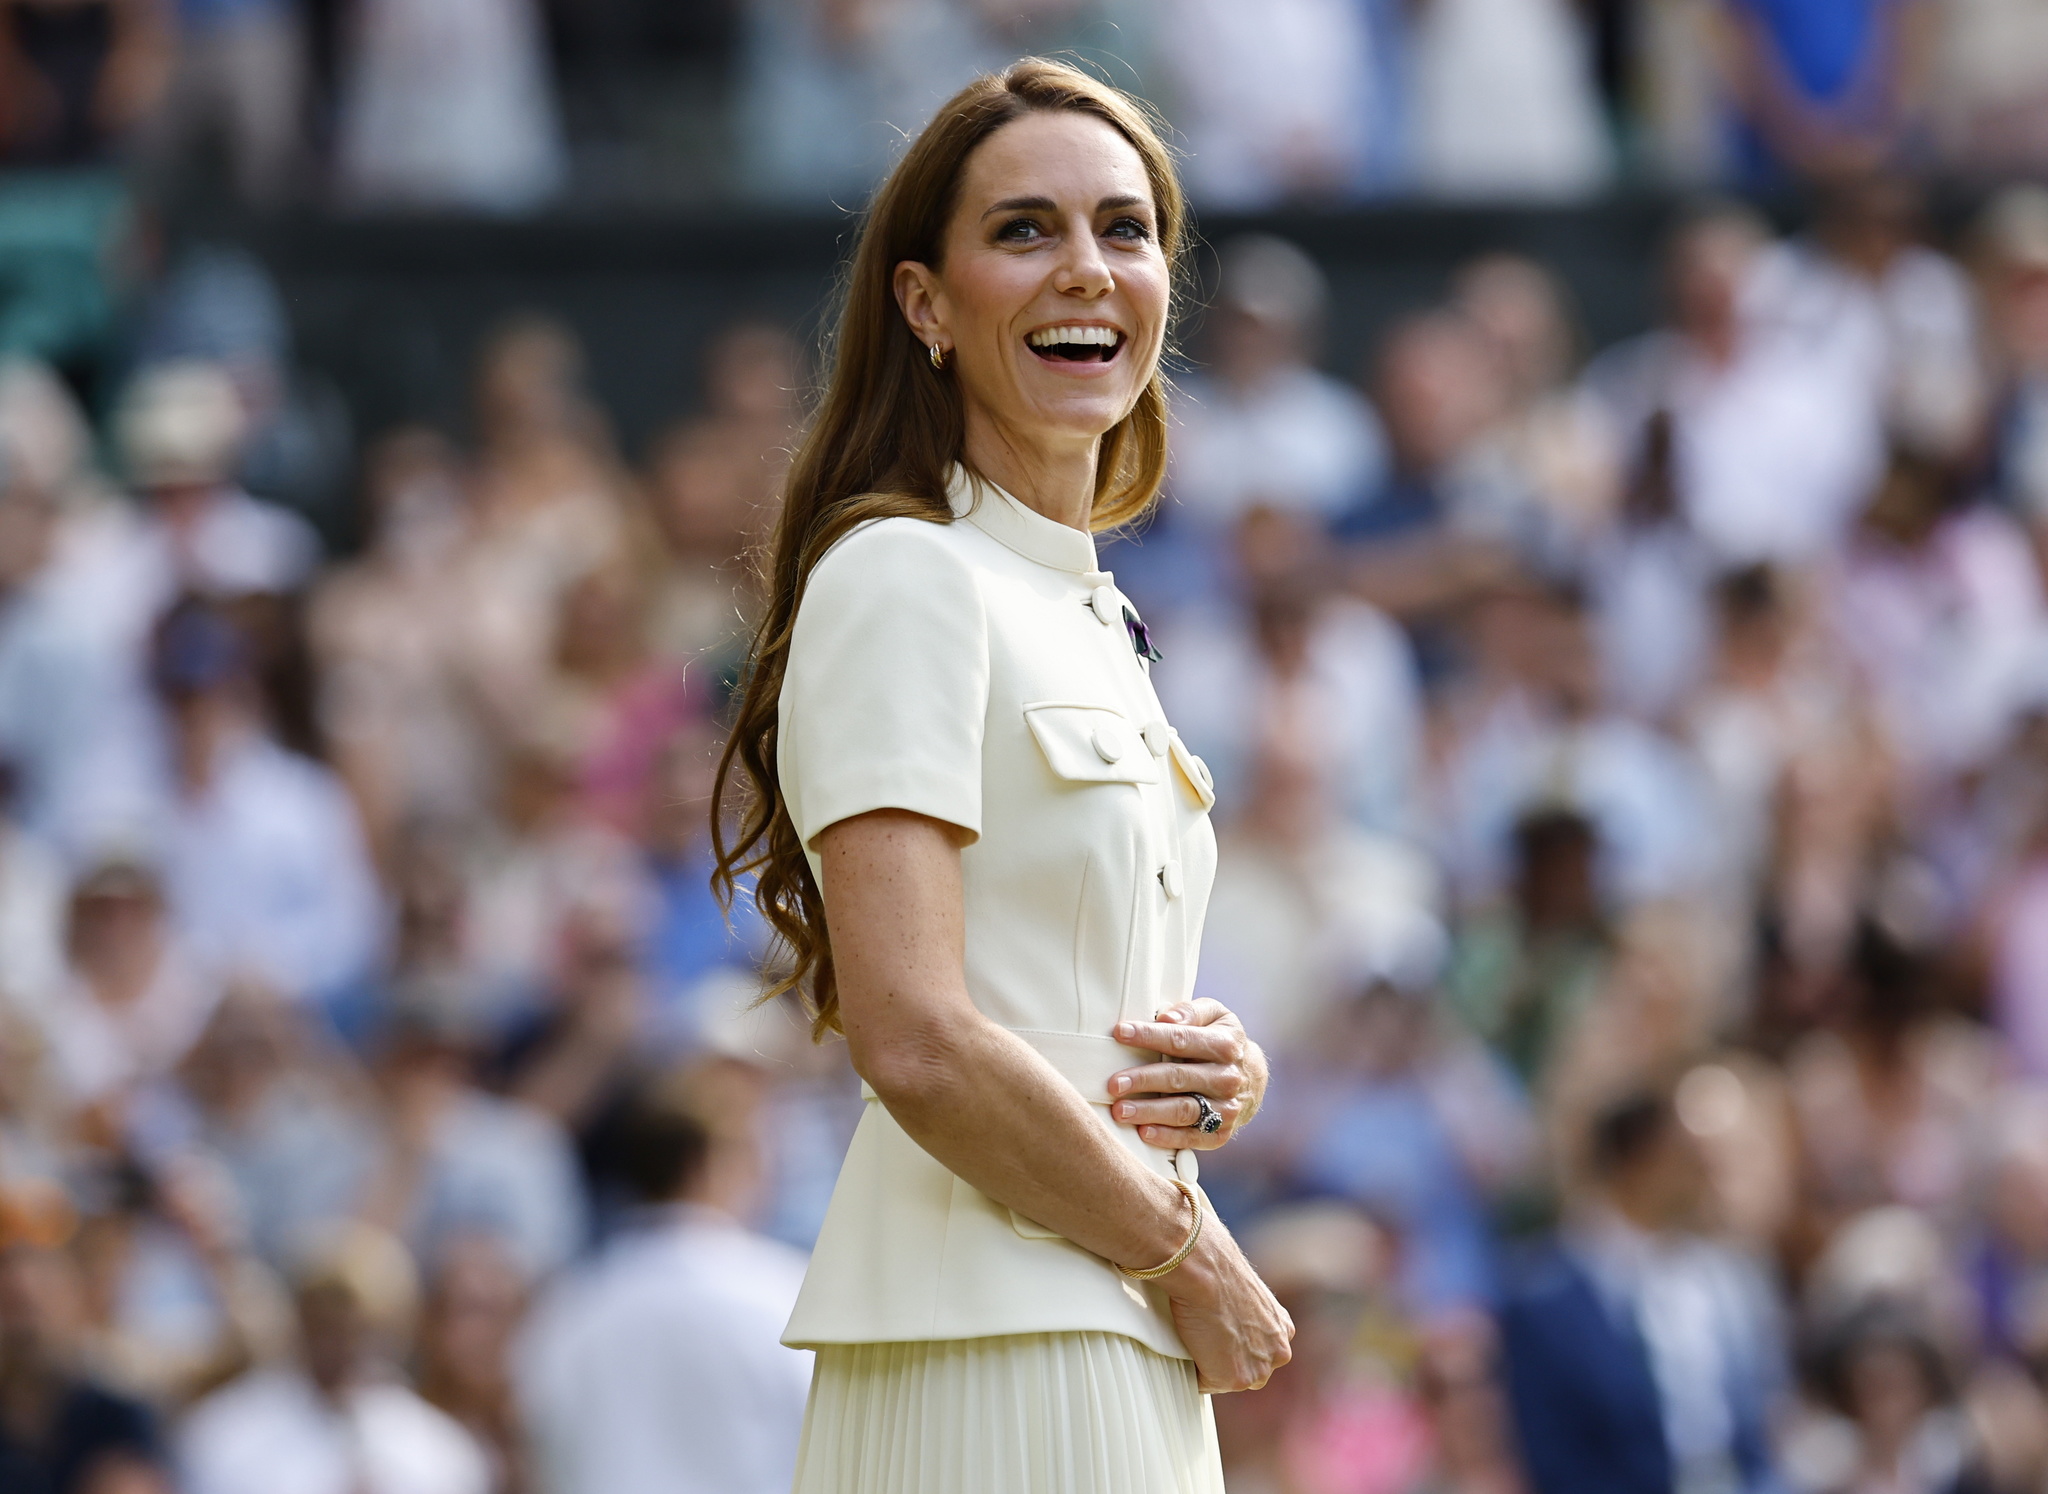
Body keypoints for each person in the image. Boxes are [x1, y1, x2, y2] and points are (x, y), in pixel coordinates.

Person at [712, 58, 1291, 1493]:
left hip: (1114, 1325)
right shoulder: (907, 573)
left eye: (1125, 227)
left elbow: (1059, 989)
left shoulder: (1091, 609)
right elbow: (913, 1034)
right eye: (1025, 229)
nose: (1085, 269)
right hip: (1008, 1340)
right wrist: (1190, 1247)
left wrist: (1217, 1076)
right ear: (924, 301)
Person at [515, 1079, 810, 1494]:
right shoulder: (786, 1293)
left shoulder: (574, 1301)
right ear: (704, 1165)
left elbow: (543, 1433)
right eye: (748, 1156)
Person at [1498, 1086, 1786, 1494]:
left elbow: (1757, 1439)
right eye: (1685, 1159)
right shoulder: (1544, 1300)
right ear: (1639, 1162)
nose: (1701, 1176)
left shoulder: (1726, 1280)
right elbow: (1556, 1462)